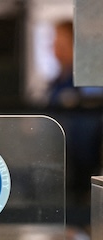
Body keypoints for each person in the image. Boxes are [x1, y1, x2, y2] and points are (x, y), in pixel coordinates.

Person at [45, 20, 103, 206]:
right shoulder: (57, 82)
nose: (55, 48)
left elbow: (91, 117)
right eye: (55, 43)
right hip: (57, 159)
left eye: (62, 43)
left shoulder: (89, 80)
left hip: (82, 162)